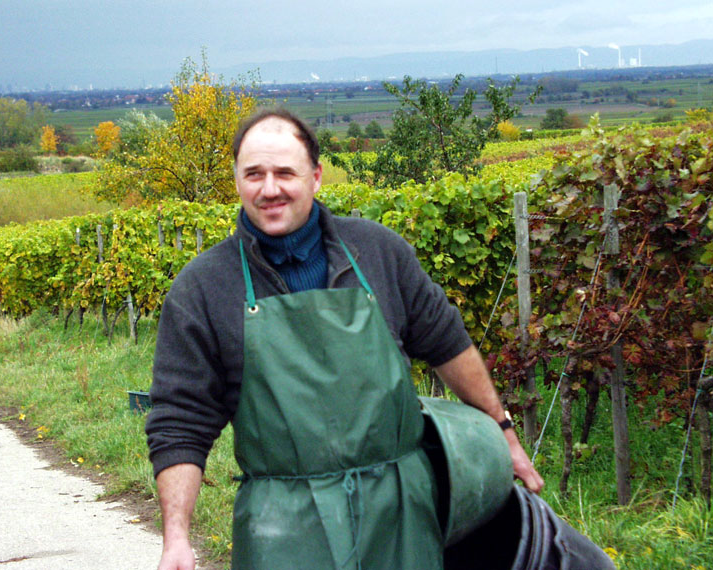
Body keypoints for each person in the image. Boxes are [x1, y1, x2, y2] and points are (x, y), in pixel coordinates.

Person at [145, 108, 544, 570]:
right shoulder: (202, 288)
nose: (269, 188)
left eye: (284, 173)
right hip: (282, 529)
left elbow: (447, 343)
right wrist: (176, 537)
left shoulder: (378, 252)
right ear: (236, 179)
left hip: (400, 515)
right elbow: (180, 420)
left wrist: (502, 432)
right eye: (254, 174)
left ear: (315, 177)